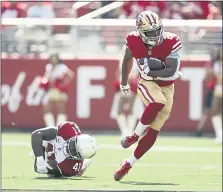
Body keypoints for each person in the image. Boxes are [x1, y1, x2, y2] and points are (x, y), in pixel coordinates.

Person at [114, 10, 182, 181]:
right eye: (150, 32)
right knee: (158, 102)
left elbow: (171, 70)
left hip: (167, 85)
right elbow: (127, 58)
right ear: (140, 32)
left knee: (154, 130)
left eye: (157, 30)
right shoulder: (133, 39)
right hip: (146, 83)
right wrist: (124, 81)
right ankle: (134, 136)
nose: (155, 35)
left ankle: (128, 163)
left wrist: (150, 70)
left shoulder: (171, 40)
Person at [31, 121, 97, 177]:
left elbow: (46, 171)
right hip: (48, 143)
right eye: (73, 144)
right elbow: (36, 134)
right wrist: (39, 158)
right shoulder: (68, 130)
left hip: (59, 163)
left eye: (74, 151)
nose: (70, 148)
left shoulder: (69, 168)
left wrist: (46, 168)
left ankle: (83, 164)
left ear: (79, 158)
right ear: (75, 138)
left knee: (76, 173)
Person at [39, 53, 74, 127]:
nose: (53, 60)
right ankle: (50, 126)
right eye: (52, 58)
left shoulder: (62, 67)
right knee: (47, 108)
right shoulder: (48, 67)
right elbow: (47, 77)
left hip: (59, 90)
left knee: (60, 108)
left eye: (55, 58)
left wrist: (63, 84)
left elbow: (70, 74)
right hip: (51, 90)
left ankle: (59, 126)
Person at [211, 47, 222, 144]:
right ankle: (219, 134)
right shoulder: (217, 65)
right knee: (215, 113)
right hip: (219, 91)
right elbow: (218, 80)